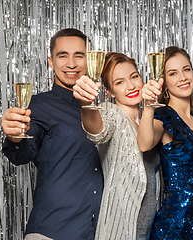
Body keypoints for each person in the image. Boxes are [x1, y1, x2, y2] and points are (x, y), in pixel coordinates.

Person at [1, 28, 103, 240]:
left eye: (79, 55)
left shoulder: (102, 111)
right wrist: (15, 137)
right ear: (51, 61)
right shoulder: (39, 105)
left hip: (96, 232)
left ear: (90, 59)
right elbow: (22, 154)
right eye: (62, 55)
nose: (71, 63)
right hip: (53, 232)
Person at [73, 52, 159, 240]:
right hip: (122, 229)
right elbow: (98, 132)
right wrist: (87, 104)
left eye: (134, 77)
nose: (131, 86)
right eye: (119, 82)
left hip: (151, 228)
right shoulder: (110, 113)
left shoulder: (149, 119)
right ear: (110, 91)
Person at [137, 46, 193, 239]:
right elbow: (144, 144)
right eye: (173, 73)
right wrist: (148, 105)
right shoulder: (163, 116)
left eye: (186, 69)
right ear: (163, 82)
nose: (183, 77)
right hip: (175, 225)